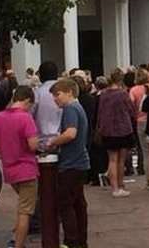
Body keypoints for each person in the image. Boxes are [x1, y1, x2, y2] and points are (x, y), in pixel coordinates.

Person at [0, 86, 39, 248]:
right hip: (27, 169)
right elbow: (33, 145)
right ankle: (18, 244)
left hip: (9, 169)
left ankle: (16, 237)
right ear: (27, 100)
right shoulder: (26, 118)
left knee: (22, 205)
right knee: (25, 211)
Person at [48, 79, 90, 248]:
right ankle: (81, 240)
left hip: (71, 163)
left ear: (69, 92)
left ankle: (71, 241)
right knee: (78, 203)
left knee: (66, 204)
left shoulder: (70, 108)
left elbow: (71, 133)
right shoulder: (78, 107)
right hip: (80, 162)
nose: (55, 99)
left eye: (57, 94)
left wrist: (53, 141)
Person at [97, 68, 136, 198]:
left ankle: (114, 188)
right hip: (123, 128)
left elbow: (100, 112)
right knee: (121, 160)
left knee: (112, 160)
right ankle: (120, 185)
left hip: (108, 129)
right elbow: (131, 110)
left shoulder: (103, 94)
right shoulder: (123, 94)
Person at [130, 68, 149, 185]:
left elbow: (130, 104)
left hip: (140, 120)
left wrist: (135, 114)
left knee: (145, 151)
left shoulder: (134, 90)